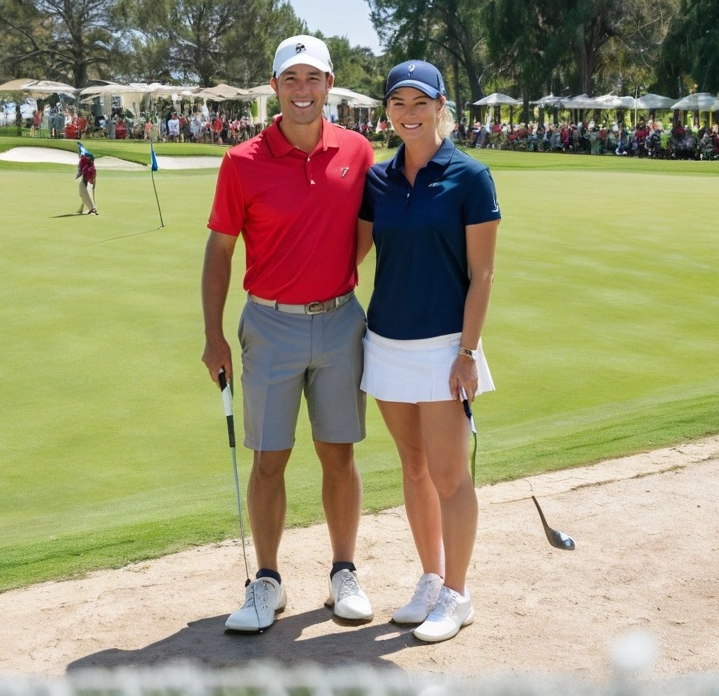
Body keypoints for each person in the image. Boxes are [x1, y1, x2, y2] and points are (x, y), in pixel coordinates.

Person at [201, 34, 376, 633]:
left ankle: (343, 573)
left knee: (339, 453)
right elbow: (219, 251)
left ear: (330, 85)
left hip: (340, 322)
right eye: (291, 80)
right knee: (269, 457)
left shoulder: (357, 149)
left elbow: (363, 234)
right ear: (273, 87)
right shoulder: (241, 161)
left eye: (313, 79)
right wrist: (213, 334)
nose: (303, 91)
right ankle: (267, 582)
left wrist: (336, 285)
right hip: (268, 323)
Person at [356, 60, 500, 643]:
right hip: (385, 341)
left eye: (421, 102)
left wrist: (468, 350)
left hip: (445, 345)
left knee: (448, 474)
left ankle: (458, 594)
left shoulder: (471, 176)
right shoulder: (379, 179)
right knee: (413, 468)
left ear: (442, 106)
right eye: (399, 103)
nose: (409, 114)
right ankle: (432, 576)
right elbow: (355, 255)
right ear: (386, 111)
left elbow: (483, 274)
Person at [76, 142, 97, 215]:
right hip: (91, 175)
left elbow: (81, 171)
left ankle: (92, 208)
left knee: (83, 191)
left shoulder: (85, 165)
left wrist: (78, 174)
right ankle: (86, 208)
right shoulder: (88, 164)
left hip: (89, 176)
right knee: (87, 192)